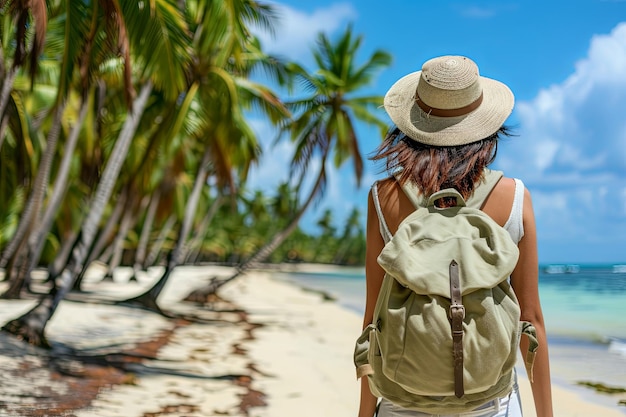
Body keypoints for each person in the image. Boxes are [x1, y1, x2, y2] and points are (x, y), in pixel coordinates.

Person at [358, 55, 553, 417]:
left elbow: (373, 320)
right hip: (491, 405)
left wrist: (365, 413)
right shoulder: (514, 197)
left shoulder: (383, 197)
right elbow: (532, 321)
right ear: (486, 127)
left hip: (402, 403)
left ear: (412, 124)